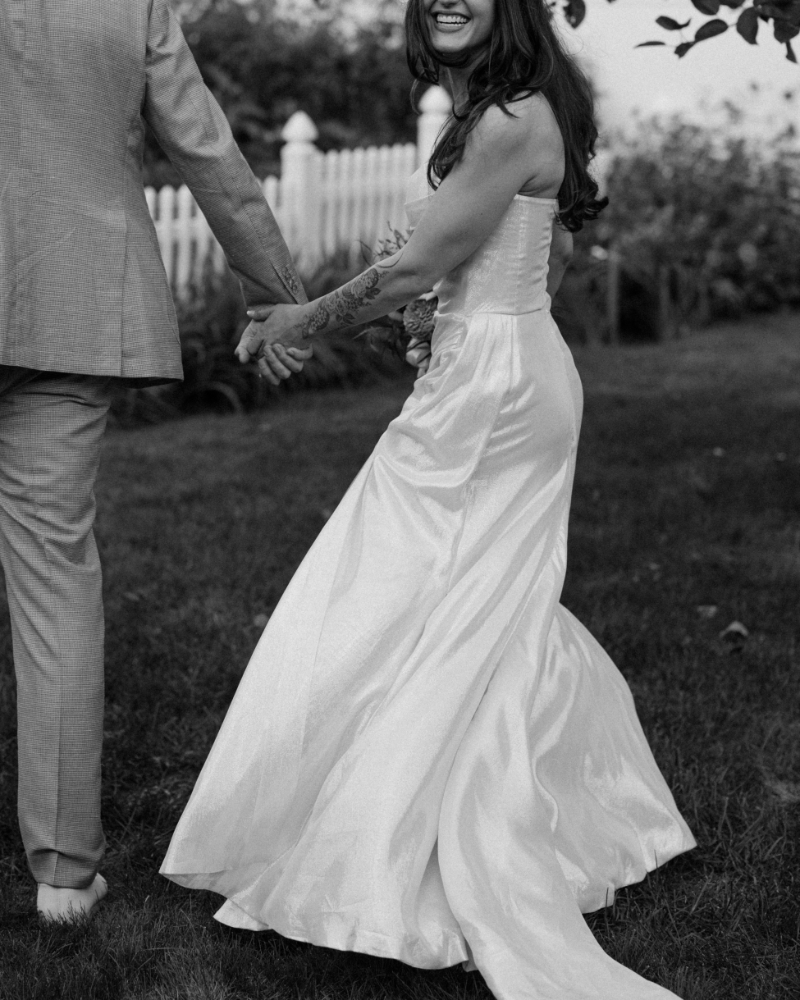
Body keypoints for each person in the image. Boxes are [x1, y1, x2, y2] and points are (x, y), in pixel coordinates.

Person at [162, 1, 696, 996]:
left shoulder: (502, 119)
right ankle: (545, 812)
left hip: (492, 394)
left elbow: (417, 261)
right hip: (502, 369)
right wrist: (444, 318)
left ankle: (388, 843)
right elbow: (538, 254)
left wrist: (300, 320)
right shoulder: (511, 107)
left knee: (387, 578)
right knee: (461, 600)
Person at [0, 0, 311, 923]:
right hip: (69, 307)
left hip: (63, 315)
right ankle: (62, 876)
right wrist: (276, 295)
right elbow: (205, 147)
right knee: (56, 577)